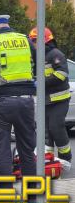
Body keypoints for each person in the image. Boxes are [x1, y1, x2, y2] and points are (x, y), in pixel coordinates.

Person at [0, 15, 36, 196]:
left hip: (1, 102)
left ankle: (5, 194)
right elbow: (40, 65)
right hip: (26, 101)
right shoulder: (25, 40)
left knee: (1, 150)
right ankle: (32, 194)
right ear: (7, 25)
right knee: (26, 149)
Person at [29, 27, 72, 169]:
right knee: (46, 130)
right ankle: (49, 159)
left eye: (34, 41)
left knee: (56, 127)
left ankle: (65, 158)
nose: (33, 43)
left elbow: (61, 74)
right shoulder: (38, 56)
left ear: (44, 41)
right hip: (46, 100)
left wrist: (40, 82)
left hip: (59, 100)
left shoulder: (55, 54)